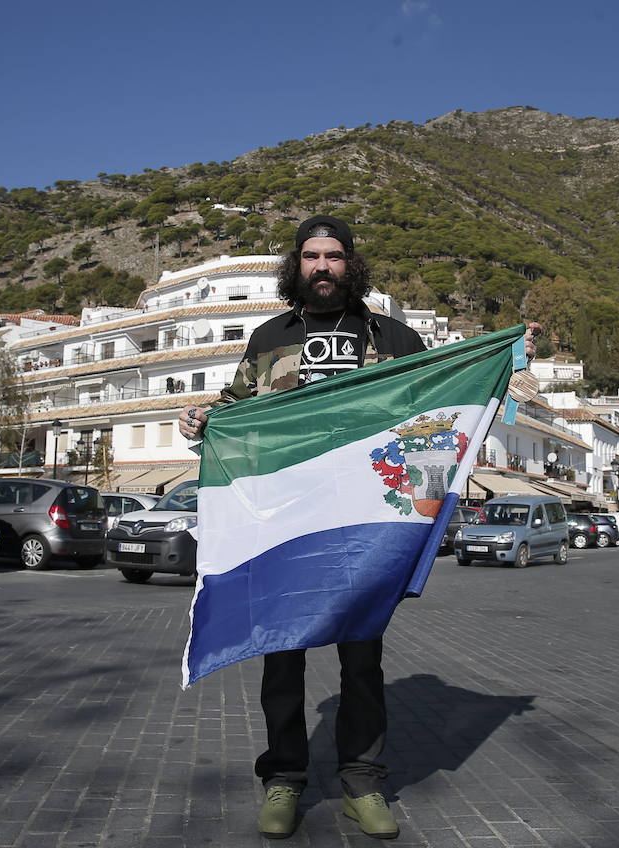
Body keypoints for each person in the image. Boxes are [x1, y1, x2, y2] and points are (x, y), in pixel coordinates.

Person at [179, 215, 534, 840]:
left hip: (361, 529)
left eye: (334, 255)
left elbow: (438, 411)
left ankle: (363, 784)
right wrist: (203, 422)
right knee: (280, 658)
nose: (322, 266)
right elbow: (239, 412)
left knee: (362, 659)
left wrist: (499, 359)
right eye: (311, 256)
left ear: (351, 264)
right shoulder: (268, 338)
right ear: (297, 265)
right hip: (284, 525)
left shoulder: (394, 338)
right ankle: (284, 779)